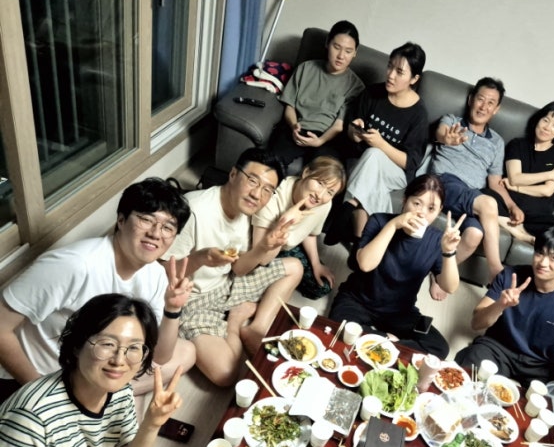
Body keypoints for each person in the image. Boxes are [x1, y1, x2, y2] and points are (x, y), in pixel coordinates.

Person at [0, 178, 195, 410]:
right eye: (146, 219)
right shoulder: (74, 265)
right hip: (44, 378)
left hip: (99, 370)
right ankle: (103, 402)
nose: (155, 233)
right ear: (121, 220)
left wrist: (172, 309)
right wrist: (40, 392)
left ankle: (108, 399)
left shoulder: (155, 275)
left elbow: (160, 357)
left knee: (187, 351)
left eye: (167, 227)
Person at [0, 293, 182, 447]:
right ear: (77, 344)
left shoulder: (119, 390)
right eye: (107, 344)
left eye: (133, 348)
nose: (119, 360)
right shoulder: (29, 422)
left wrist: (151, 424)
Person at [162, 148, 303, 386]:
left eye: (267, 190)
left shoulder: (249, 212)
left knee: (294, 267)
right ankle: (236, 321)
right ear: (233, 174)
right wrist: (201, 258)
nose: (257, 194)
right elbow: (164, 273)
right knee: (226, 374)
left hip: (228, 281)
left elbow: (239, 269)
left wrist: (262, 247)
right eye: (252, 181)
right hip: (194, 299)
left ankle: (256, 326)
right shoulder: (194, 210)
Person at [329, 174, 464, 358]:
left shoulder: (436, 240)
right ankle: (387, 343)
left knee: (438, 347)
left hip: (401, 312)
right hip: (357, 301)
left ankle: (382, 342)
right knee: (341, 328)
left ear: (439, 210)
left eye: (431, 208)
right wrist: (393, 225)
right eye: (417, 203)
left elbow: (450, 287)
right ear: (405, 200)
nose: (422, 213)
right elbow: (365, 264)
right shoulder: (379, 221)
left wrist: (449, 251)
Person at [455, 224, 554, 390]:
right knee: (464, 378)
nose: (543, 263)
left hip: (541, 363)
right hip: (497, 348)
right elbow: (476, 323)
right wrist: (500, 305)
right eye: (539, 253)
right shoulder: (509, 276)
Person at [428, 76, 523, 300]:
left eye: (491, 103)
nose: (483, 106)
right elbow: (441, 133)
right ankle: (496, 271)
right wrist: (447, 138)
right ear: (471, 99)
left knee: (474, 235)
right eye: (480, 99)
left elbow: (495, 182)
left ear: (496, 109)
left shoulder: (497, 142)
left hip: (472, 196)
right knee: (487, 203)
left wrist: (512, 205)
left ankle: (439, 272)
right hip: (444, 182)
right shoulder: (452, 121)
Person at [325, 42, 429, 246]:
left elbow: (409, 162)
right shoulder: (372, 93)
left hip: (395, 172)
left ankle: (347, 205)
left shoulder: (418, 114)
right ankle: (359, 245)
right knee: (371, 183)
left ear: (414, 79)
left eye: (399, 72)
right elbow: (350, 131)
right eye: (390, 66)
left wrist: (380, 144)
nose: (390, 75)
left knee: (374, 154)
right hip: (362, 163)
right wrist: (355, 132)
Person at [269, 20, 365, 168]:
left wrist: (320, 141)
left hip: (328, 138)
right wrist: (294, 126)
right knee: (271, 164)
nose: (341, 56)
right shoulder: (305, 68)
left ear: (355, 53)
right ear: (327, 44)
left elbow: (339, 125)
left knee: (325, 174)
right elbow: (290, 106)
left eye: (348, 51)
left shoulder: (356, 86)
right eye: (336, 47)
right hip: (297, 129)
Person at [252, 156, 345, 300]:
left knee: (322, 287)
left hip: (286, 246)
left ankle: (276, 281)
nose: (320, 196)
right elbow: (260, 257)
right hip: (260, 247)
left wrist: (316, 264)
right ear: (306, 172)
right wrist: (285, 224)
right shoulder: (274, 195)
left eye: (330, 192)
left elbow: (310, 233)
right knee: (253, 276)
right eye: (320, 183)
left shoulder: (325, 203)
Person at [491, 101, 554, 244]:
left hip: (537, 215)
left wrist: (516, 188)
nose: (547, 127)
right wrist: (550, 174)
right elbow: (515, 178)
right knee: (483, 197)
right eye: (545, 120)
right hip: (509, 206)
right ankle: (521, 234)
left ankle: (514, 226)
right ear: (537, 121)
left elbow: (547, 191)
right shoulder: (517, 144)